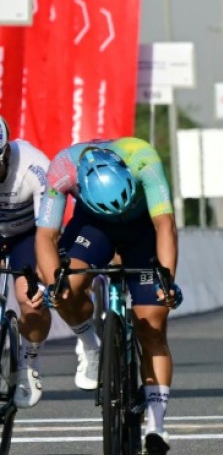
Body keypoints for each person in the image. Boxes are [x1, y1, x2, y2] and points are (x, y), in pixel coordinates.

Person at [35, 137, 181, 455]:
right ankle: (90, 342)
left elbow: (165, 224)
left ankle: (157, 427)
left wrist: (167, 280)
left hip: (142, 227)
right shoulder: (63, 167)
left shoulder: (144, 160)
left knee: (151, 323)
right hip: (94, 226)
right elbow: (46, 235)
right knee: (64, 291)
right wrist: (51, 286)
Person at [0, 117, 52, 409]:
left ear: (6, 153)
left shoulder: (34, 166)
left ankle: (29, 361)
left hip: (28, 234)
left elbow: (47, 230)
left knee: (30, 300)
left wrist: (43, 277)